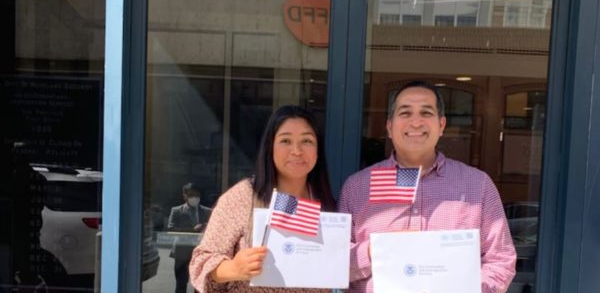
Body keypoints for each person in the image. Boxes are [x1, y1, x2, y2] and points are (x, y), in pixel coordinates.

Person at [338, 80, 516, 293]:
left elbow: (501, 260)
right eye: (405, 113)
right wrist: (373, 251)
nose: (416, 122)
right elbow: (335, 263)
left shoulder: (477, 186)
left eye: (426, 113)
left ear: (441, 126)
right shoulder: (357, 188)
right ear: (389, 127)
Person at [189, 105, 336, 293]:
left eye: (307, 141)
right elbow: (201, 262)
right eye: (286, 141)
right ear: (270, 147)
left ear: (318, 150)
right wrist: (234, 268)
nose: (297, 150)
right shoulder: (244, 196)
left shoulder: (326, 206)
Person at [168, 183, 212, 293]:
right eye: (191, 195)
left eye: (197, 195)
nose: (195, 198)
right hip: (182, 254)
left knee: (199, 286)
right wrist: (192, 229)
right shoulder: (177, 211)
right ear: (185, 196)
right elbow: (171, 229)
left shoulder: (207, 211)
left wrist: (206, 228)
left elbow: (213, 230)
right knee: (181, 285)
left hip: (201, 254)